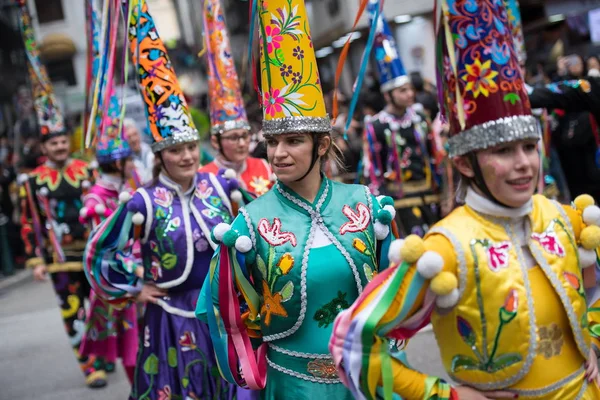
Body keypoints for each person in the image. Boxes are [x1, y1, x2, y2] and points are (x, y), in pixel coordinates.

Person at [330, 1, 600, 398]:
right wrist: (445, 396)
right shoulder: (445, 248)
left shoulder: (560, 216)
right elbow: (351, 341)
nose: (524, 164)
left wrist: (591, 335)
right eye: (504, 152)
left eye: (528, 146)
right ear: (466, 163)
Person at [196, 0, 396, 398]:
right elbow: (217, 310)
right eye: (272, 142)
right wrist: (248, 363)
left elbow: (393, 288)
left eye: (293, 141)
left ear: (322, 145)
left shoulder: (365, 204)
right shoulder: (249, 225)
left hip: (371, 378)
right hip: (295, 387)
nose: (278, 153)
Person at [84, 1, 253, 398]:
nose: (187, 156)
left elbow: (257, 236)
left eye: (191, 147)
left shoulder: (222, 187)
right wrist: (132, 289)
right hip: (171, 319)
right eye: (176, 150)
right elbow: (98, 252)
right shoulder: (142, 202)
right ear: (160, 155)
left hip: (225, 315)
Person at [78, 2, 139, 383]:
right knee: (133, 348)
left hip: (141, 270)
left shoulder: (127, 185)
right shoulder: (97, 197)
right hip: (121, 277)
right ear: (116, 162)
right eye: (127, 156)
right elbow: (106, 241)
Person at [361, 0, 443, 237]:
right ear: (388, 94)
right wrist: (379, 203)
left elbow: (434, 153)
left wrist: (444, 190)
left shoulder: (420, 116)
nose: (409, 95)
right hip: (399, 199)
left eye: (410, 89)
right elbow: (374, 168)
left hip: (430, 193)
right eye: (402, 91)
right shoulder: (376, 125)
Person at [198, 0, 273, 199]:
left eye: (244, 135)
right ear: (215, 141)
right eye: (233, 137)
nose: (242, 143)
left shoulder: (264, 167)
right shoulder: (203, 178)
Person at [124, 118, 154, 184]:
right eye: (129, 137)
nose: (133, 139)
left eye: (135, 134)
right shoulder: (125, 161)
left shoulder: (151, 151)